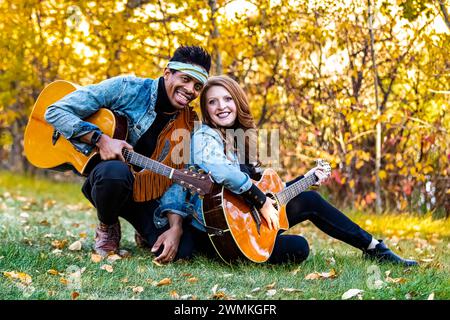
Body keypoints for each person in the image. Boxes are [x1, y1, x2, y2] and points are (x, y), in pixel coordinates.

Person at [155, 75, 418, 266]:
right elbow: (222, 173)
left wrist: (305, 181)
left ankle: (374, 248)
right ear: (207, 109)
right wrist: (260, 200)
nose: (221, 106)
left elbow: (264, 190)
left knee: (309, 199)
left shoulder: (238, 139)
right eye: (213, 102)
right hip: (218, 231)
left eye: (227, 99)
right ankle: (247, 249)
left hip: (244, 220)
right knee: (299, 247)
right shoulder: (203, 137)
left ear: (237, 102)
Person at [44, 45, 212, 263]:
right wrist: (100, 139)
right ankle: (107, 225)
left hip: (146, 191)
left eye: (197, 86)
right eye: (186, 79)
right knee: (115, 172)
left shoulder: (188, 122)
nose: (191, 90)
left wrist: (176, 227)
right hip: (109, 181)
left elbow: (176, 179)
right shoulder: (126, 88)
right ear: (167, 73)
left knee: (184, 251)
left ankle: (144, 231)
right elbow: (54, 111)